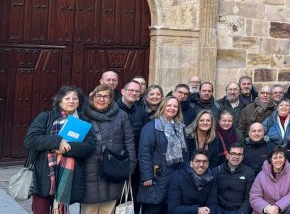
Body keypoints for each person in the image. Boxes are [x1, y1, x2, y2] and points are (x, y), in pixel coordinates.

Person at [24, 86, 97, 214]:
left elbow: (90, 146)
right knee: (40, 211)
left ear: (79, 102)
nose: (71, 101)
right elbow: (30, 140)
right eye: (67, 98)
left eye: (75, 98)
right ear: (59, 101)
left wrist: (66, 149)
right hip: (43, 174)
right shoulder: (46, 117)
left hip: (69, 176)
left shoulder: (83, 121)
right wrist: (58, 141)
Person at [81, 84, 137, 214]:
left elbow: (129, 141)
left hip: (113, 168)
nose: (102, 99)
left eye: (106, 96)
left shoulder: (121, 115)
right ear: (92, 97)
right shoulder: (83, 116)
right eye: (99, 96)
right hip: (89, 168)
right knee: (89, 210)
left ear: (111, 98)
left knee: (108, 209)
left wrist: (131, 166)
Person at [138, 96, 189, 214]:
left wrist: (185, 173)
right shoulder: (151, 127)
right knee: (154, 208)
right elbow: (144, 153)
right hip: (156, 176)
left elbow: (185, 152)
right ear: (163, 107)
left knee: (170, 208)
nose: (172, 108)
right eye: (169, 105)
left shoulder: (180, 127)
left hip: (176, 175)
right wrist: (147, 176)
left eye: (175, 106)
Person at [250, 146, 290, 214]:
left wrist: (277, 207)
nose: (278, 160)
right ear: (270, 159)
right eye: (275, 158)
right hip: (267, 211)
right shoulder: (261, 175)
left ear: (285, 159)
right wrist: (267, 208)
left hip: (284, 209)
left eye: (281, 157)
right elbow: (255, 197)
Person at [166, 150, 219, 214]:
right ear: (191, 163)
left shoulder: (211, 179)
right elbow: (173, 209)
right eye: (197, 161)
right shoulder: (177, 178)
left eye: (204, 161)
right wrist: (197, 210)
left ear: (208, 164)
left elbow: (213, 204)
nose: (201, 165)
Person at [212, 143, 255, 214]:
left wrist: (242, 212)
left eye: (239, 154)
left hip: (239, 210)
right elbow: (212, 198)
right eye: (233, 153)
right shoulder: (216, 171)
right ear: (227, 155)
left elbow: (248, 199)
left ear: (243, 157)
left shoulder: (249, 172)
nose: (236, 157)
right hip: (219, 210)